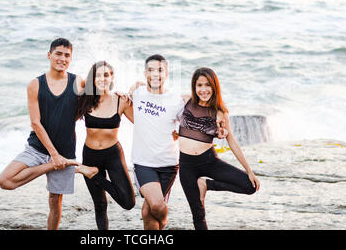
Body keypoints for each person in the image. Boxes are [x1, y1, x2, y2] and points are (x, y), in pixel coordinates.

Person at [0, 38, 84, 230]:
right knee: (5, 181)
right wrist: (54, 157)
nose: (62, 58)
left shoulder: (78, 82)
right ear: (49, 55)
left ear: (71, 58)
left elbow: (92, 104)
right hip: (37, 148)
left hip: (66, 149)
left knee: (55, 200)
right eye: (58, 54)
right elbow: (35, 122)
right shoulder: (35, 84)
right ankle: (51, 166)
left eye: (67, 55)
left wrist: (128, 93)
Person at [178, 67, 260, 230]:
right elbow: (162, 104)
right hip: (186, 166)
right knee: (198, 215)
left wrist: (249, 170)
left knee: (250, 186)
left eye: (207, 85)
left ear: (214, 86)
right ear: (194, 87)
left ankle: (207, 185)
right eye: (199, 85)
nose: (203, 90)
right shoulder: (185, 101)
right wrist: (137, 86)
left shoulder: (220, 113)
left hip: (209, 161)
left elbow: (232, 142)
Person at [74, 61, 136, 230]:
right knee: (100, 205)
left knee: (128, 202)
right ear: (92, 79)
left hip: (113, 155)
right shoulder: (84, 100)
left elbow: (141, 124)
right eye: (98, 75)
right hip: (90, 156)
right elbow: (65, 123)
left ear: (112, 77)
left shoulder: (120, 101)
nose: (102, 79)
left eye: (106, 75)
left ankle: (95, 176)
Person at [129, 54, 185, 230]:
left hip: (169, 164)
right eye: (151, 70)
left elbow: (188, 127)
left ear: (166, 73)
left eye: (160, 70)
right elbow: (117, 102)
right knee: (157, 206)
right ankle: (165, 221)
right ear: (145, 73)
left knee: (147, 212)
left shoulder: (176, 101)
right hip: (144, 163)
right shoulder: (136, 94)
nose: (155, 74)